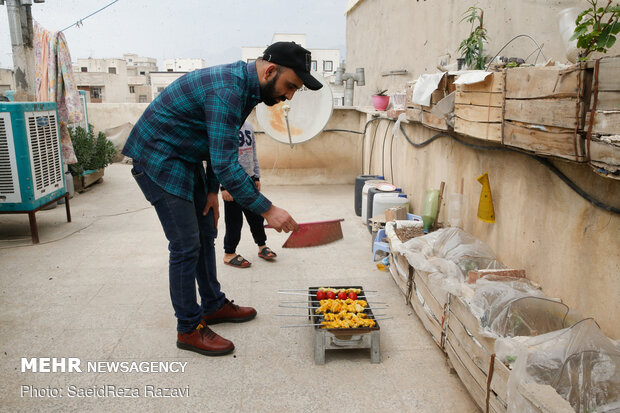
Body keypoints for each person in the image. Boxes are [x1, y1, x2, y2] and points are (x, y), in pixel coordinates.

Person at [122, 42, 322, 357]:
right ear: (270, 71)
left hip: (187, 156)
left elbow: (220, 144)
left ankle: (213, 304)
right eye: (290, 86)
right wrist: (267, 209)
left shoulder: (247, 89)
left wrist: (212, 191)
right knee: (186, 245)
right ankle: (188, 329)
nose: (290, 96)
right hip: (158, 157)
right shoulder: (228, 91)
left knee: (205, 232)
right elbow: (227, 164)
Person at [221, 121, 276, 268]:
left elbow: (253, 153)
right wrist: (223, 186)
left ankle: (262, 246)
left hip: (249, 179)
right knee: (234, 221)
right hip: (231, 182)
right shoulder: (224, 125)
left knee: (256, 217)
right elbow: (217, 158)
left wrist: (256, 176)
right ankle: (229, 253)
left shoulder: (248, 126)